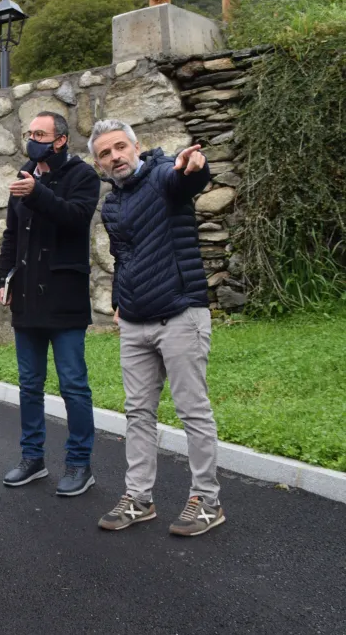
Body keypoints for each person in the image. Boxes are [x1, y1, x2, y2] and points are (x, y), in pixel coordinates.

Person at [89, 119, 225, 537]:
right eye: (105, 153)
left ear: (136, 146)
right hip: (134, 322)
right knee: (138, 413)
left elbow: (188, 178)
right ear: (100, 164)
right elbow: (123, 256)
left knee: (192, 411)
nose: (115, 157)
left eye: (119, 147)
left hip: (180, 315)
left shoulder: (165, 176)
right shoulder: (111, 204)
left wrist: (193, 166)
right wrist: (118, 302)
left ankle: (207, 501)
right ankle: (140, 498)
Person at [0, 111, 100, 497]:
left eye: (40, 133)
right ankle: (32, 458)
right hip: (27, 301)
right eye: (28, 132)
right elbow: (12, 235)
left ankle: (79, 464)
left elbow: (76, 218)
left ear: (60, 140)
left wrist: (38, 194)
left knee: (73, 384)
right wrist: (0, 276)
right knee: (29, 384)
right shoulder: (24, 174)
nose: (31, 138)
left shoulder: (82, 176)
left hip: (64, 298)